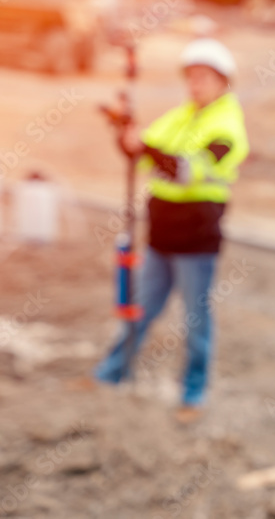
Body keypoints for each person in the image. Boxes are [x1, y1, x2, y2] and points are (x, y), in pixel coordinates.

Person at [94, 38, 249, 422]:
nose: (194, 85)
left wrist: (144, 148)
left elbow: (184, 170)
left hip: (195, 237)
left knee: (195, 319)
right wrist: (126, 133)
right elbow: (145, 152)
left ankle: (193, 395)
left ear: (222, 81)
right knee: (140, 308)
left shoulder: (226, 126)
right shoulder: (181, 116)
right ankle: (112, 373)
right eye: (191, 77)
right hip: (161, 234)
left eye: (203, 78)